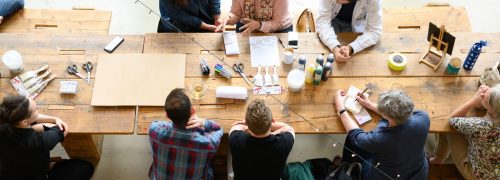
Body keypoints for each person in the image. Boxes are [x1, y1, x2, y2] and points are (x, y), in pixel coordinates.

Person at [334, 89, 430, 179]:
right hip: (419, 173)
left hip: (385, 177)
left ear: (388, 117)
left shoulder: (381, 139)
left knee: (351, 142)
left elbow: (356, 136)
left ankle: (346, 168)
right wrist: (370, 104)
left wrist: (341, 108)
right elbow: (400, 115)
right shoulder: (423, 118)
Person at [0, 96, 94, 180]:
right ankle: (46, 169)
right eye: (36, 109)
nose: (38, 109)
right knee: (86, 167)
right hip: (36, 176)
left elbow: (32, 119)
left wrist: (53, 119)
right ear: (24, 122)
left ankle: (46, 166)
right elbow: (61, 129)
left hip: (9, 172)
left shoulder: (5, 120)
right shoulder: (39, 142)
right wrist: (46, 124)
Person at [148, 88, 224, 179]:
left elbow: (157, 123)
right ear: (192, 111)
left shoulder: (154, 131)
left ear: (167, 116)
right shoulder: (207, 143)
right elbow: (219, 129)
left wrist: (176, 118)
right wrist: (203, 122)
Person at [429, 85, 500, 179]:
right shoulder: (495, 117)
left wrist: (473, 101)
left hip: (479, 175)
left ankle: (438, 159)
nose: (482, 96)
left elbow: (452, 120)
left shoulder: (482, 125)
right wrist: (488, 99)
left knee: (449, 131)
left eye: (485, 98)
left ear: (493, 111)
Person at [229, 99, 295, 180]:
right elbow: (289, 128)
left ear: (246, 123)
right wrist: (269, 126)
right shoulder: (284, 142)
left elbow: (235, 127)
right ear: (273, 121)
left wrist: (249, 124)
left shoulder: (236, 139)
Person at [316, 0, 382, 62]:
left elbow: (374, 31)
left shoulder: (374, 1)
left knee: (354, 60)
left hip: (355, 24)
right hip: (332, 20)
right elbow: (322, 23)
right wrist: (334, 47)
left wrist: (352, 47)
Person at [220, 0, 293, 36]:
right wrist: (229, 18)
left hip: (279, 29)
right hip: (247, 25)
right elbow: (236, 13)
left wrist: (259, 25)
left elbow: (278, 22)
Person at [157, 0, 223, 32]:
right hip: (176, 23)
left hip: (199, 11)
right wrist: (206, 26)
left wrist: (217, 17)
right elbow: (183, 17)